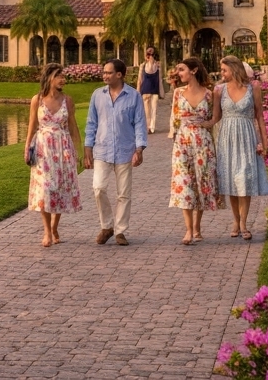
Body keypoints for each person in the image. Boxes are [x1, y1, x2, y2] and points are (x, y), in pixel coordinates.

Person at [84, 58, 147, 246]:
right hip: (102, 149)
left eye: (108, 72)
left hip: (125, 150)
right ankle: (107, 226)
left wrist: (139, 149)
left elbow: (140, 124)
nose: (105, 75)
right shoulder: (97, 95)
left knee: (124, 194)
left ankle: (120, 231)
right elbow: (91, 123)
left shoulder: (134, 96)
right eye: (104, 72)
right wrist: (88, 148)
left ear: (119, 74)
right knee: (98, 188)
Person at [24, 63, 83, 247]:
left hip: (63, 148)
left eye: (63, 76)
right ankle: (47, 231)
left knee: (60, 189)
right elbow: (32, 125)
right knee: (45, 189)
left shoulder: (68, 101)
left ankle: (55, 226)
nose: (63, 80)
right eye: (59, 76)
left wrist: (79, 151)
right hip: (43, 149)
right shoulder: (37, 100)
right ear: (49, 77)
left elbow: (73, 126)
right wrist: (27, 147)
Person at [213, 55, 268, 240]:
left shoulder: (253, 87)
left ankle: (244, 223)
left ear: (234, 69)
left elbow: (259, 115)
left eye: (224, 70)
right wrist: (199, 125)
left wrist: (264, 142)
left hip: (247, 138)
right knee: (232, 180)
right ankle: (236, 221)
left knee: (244, 179)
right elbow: (215, 117)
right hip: (227, 139)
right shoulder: (219, 90)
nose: (221, 73)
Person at [169, 57, 220, 245]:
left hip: (203, 143)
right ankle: (189, 230)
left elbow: (216, 117)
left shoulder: (209, 94)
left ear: (194, 70)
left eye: (182, 69)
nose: (178, 73)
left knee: (201, 184)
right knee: (185, 184)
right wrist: (175, 139)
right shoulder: (178, 93)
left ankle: (197, 227)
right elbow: (174, 119)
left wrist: (207, 124)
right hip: (182, 143)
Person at [138, 47, 164, 134]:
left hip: (153, 91)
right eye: (148, 53)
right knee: (148, 110)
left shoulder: (157, 66)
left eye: (150, 53)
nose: (149, 55)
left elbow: (160, 79)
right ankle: (148, 127)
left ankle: (151, 127)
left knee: (152, 110)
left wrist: (161, 91)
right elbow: (140, 80)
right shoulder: (143, 66)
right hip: (146, 91)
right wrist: (138, 92)